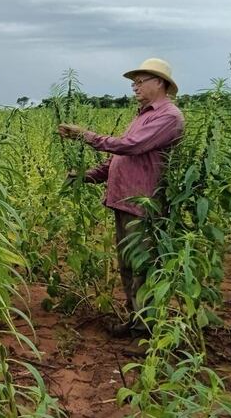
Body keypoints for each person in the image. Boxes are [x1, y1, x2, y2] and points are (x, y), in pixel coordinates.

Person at [58, 58, 185, 337]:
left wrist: (85, 136)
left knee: (143, 266)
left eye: (140, 82)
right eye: (133, 83)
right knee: (128, 265)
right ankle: (136, 320)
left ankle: (146, 328)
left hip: (143, 202)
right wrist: (86, 175)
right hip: (124, 199)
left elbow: (131, 147)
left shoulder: (168, 117)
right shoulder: (142, 115)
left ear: (160, 83)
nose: (134, 87)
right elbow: (119, 157)